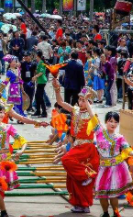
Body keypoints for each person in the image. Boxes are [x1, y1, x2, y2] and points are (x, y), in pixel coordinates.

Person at [83, 101, 133, 217]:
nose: (113, 124)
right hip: (103, 167)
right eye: (110, 121)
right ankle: (106, 213)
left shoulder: (120, 138)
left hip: (116, 168)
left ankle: (116, 213)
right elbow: (92, 114)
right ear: (106, 121)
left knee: (113, 194)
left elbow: (128, 151)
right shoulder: (99, 131)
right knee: (102, 193)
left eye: (116, 122)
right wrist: (86, 101)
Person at [52, 84, 100, 213]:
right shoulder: (75, 110)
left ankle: (87, 175)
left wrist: (87, 101)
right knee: (73, 179)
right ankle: (81, 205)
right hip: (77, 146)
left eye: (83, 100)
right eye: (79, 99)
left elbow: (94, 122)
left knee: (66, 160)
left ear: (89, 102)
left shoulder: (92, 113)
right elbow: (60, 102)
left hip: (87, 148)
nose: (80, 102)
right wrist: (57, 88)